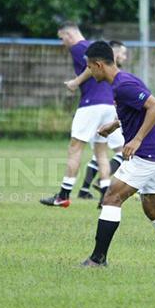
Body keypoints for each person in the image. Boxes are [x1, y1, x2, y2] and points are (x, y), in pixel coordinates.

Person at [80, 41, 155, 270]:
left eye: (89, 67)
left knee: (111, 198)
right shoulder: (122, 82)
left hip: (148, 154)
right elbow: (137, 109)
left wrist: (136, 139)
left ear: (98, 65)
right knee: (154, 209)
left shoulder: (123, 85)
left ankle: (97, 259)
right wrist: (115, 125)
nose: (88, 72)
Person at [40, 22, 113, 207]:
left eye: (61, 37)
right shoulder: (92, 45)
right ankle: (106, 195)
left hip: (92, 104)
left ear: (69, 34)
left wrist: (75, 81)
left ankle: (63, 195)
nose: (61, 42)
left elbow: (92, 66)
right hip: (108, 103)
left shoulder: (78, 47)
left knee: (75, 148)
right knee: (101, 152)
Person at [69, 40, 127, 202]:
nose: (125, 57)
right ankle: (99, 185)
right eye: (122, 53)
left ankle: (89, 188)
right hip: (107, 111)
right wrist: (77, 81)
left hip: (111, 113)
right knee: (114, 151)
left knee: (101, 152)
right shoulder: (108, 74)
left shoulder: (120, 78)